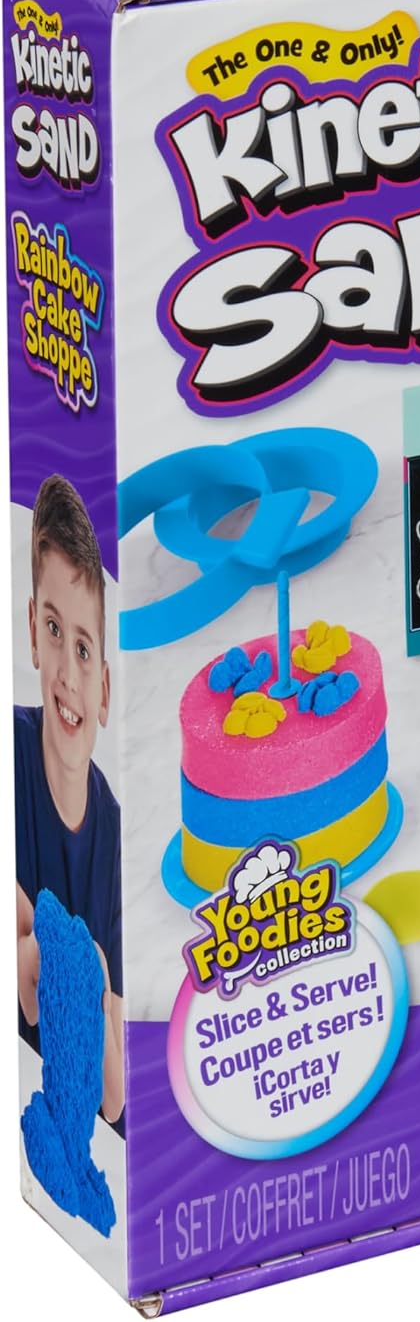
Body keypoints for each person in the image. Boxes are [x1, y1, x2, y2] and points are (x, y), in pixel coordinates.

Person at [14, 474, 123, 1127]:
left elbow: (115, 1097)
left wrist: (97, 987)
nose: (68, 675)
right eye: (53, 630)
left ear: (105, 689)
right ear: (31, 630)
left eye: (83, 648)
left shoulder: (116, 832)